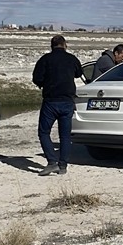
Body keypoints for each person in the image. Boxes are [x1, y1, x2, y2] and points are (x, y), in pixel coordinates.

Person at [32, 34, 84, 176]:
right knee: (65, 136)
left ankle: (51, 162)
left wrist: (44, 83)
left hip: (51, 101)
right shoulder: (72, 59)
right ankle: (63, 166)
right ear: (65, 44)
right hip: (68, 101)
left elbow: (36, 78)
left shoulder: (45, 59)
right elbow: (79, 73)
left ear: (51, 45)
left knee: (44, 132)